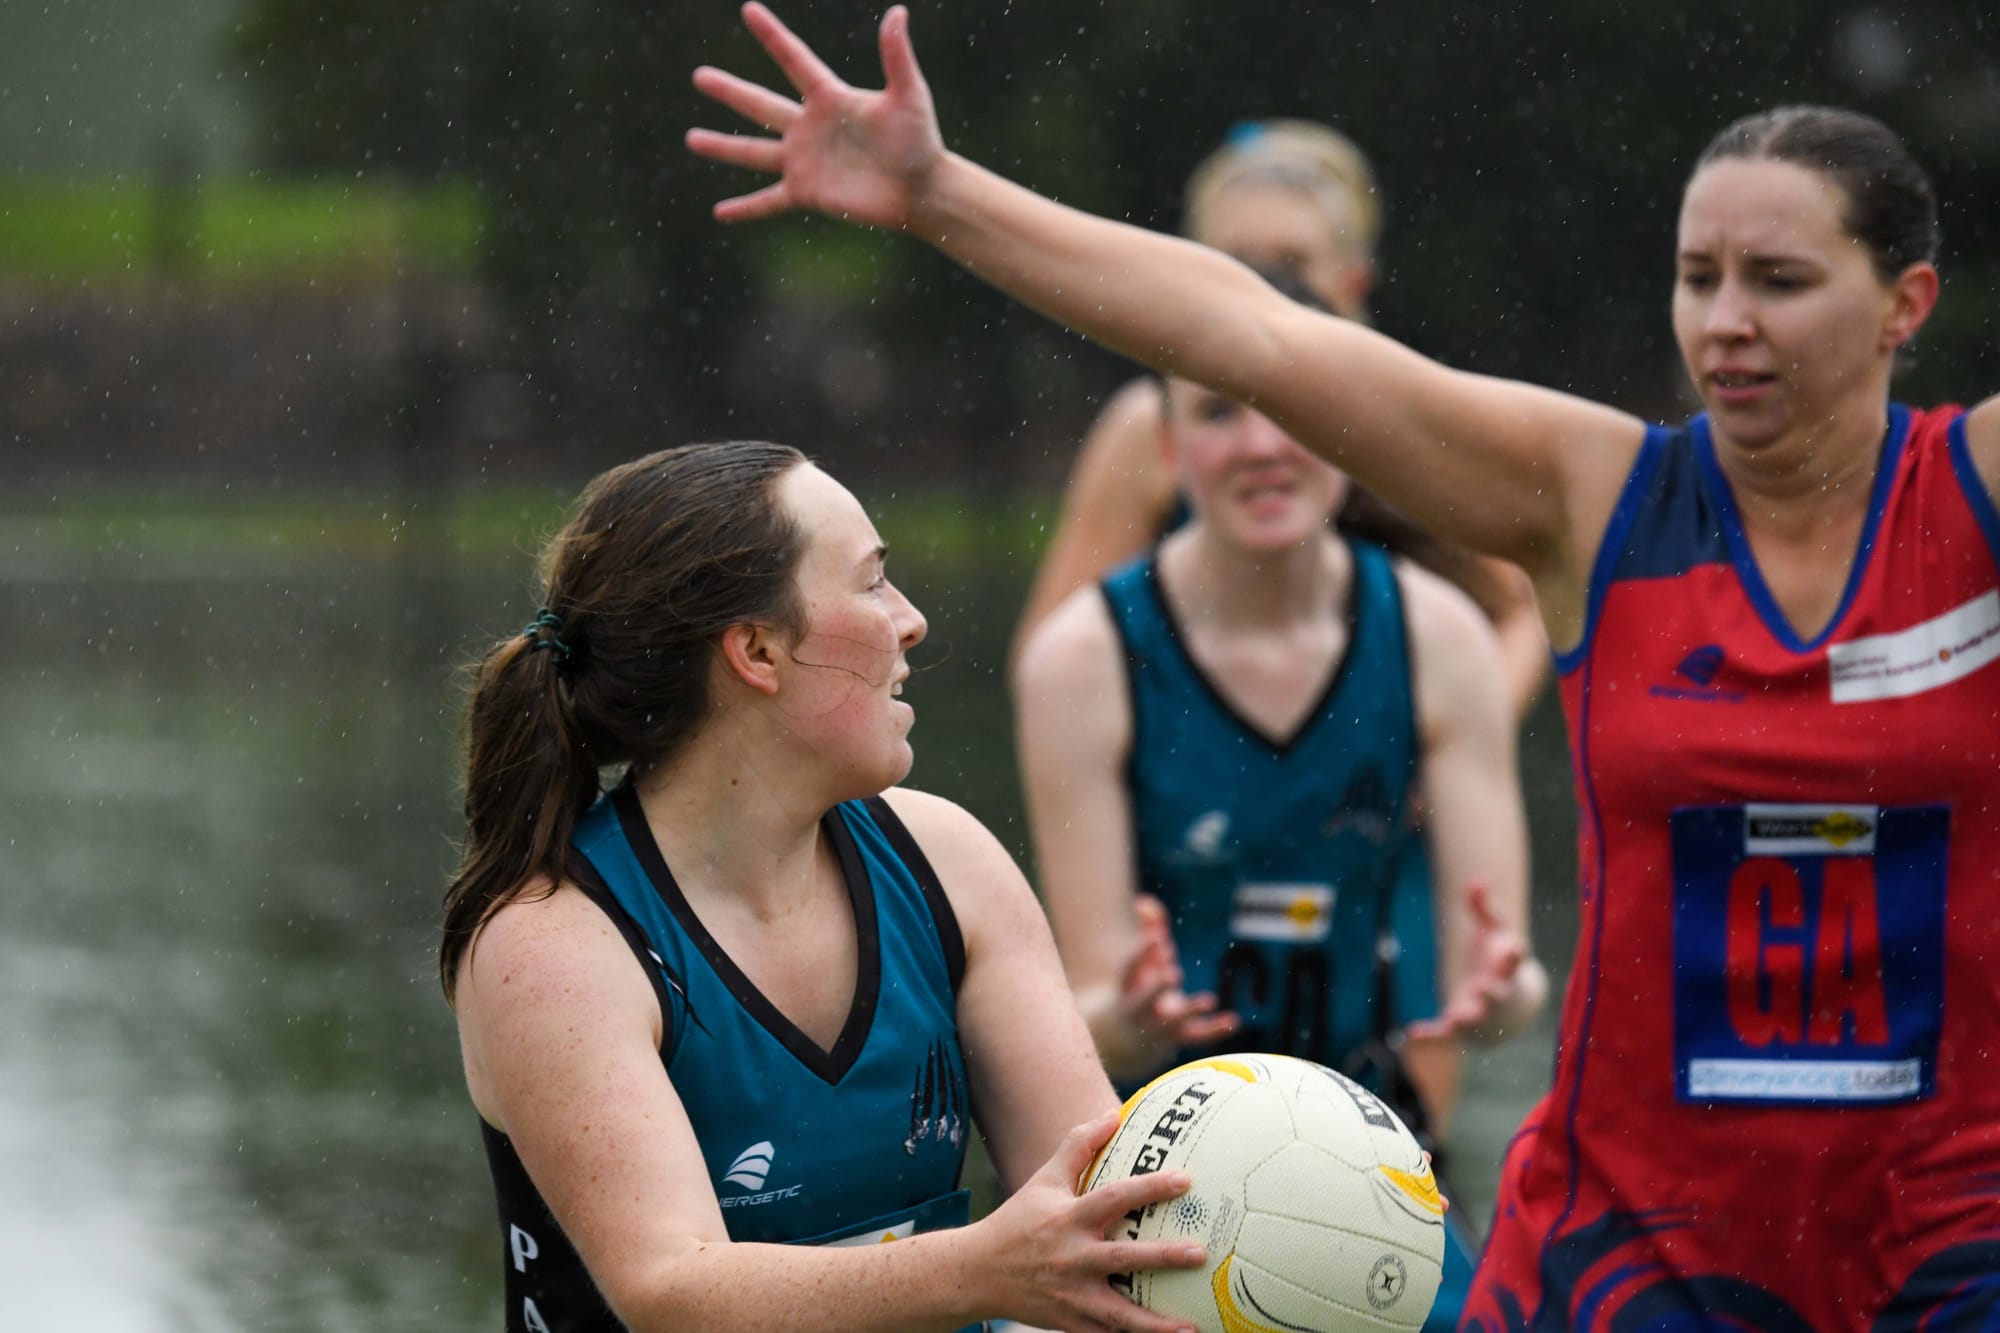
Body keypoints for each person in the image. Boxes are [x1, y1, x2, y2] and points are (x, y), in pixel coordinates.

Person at [688, 8, 2000, 1325]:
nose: (1725, 321)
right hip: (1646, 1246)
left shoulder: (1977, 502)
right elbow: (1249, 335)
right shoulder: (1602, 503)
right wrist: (937, 193)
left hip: (1949, 1229)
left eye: (1778, 280)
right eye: (1697, 275)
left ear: (1906, 303)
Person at [440, 441, 1218, 1333]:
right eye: (873, 582)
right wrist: (988, 1269)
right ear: (759, 650)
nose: (913, 619)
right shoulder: (552, 941)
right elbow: (671, 1290)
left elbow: (1111, 1215)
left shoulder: (947, 860)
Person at [1014, 275, 1542, 1332]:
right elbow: (1087, 1014)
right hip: (1155, 1180)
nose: (1261, 444)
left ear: (1351, 433)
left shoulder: (1442, 637)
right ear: (1164, 450)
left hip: (1381, 1163)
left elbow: (1511, 976)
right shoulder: (1082, 656)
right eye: (1217, 411)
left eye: (1293, 409)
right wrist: (1136, 1012)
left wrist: (1500, 998)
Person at [1009, 122, 1550, 727]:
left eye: (1292, 260)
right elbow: (1051, 651)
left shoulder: (1412, 413)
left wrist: (1452, 746)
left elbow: (1520, 606)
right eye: (1235, 262)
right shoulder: (1147, 424)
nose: (1260, 285)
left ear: (1353, 280)